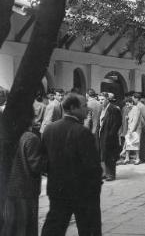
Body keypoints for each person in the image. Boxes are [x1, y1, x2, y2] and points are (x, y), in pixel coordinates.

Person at [41, 93, 102, 235]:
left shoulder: (49, 129)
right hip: (83, 191)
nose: (87, 109)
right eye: (84, 106)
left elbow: (44, 162)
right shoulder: (82, 132)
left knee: (54, 227)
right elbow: (92, 166)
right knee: (88, 228)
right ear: (73, 108)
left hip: (57, 189)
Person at [1, 107, 46, 236]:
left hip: (8, 189)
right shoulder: (30, 138)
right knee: (26, 228)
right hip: (25, 190)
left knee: (11, 227)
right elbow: (36, 166)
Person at [98, 92, 122, 182]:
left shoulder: (113, 109)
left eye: (102, 99)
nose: (101, 101)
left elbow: (117, 123)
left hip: (110, 136)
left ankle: (111, 174)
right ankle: (105, 173)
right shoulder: (102, 109)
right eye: (99, 100)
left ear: (107, 99)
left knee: (110, 155)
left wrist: (111, 134)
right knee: (104, 155)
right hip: (102, 135)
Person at [121, 97, 142, 165]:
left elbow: (135, 120)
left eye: (128, 104)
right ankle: (127, 158)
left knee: (135, 144)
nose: (127, 106)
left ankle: (137, 159)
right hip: (130, 128)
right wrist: (127, 118)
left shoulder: (136, 109)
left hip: (135, 129)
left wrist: (131, 130)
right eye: (126, 105)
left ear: (132, 103)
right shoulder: (130, 108)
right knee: (128, 143)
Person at [133, 93, 145, 162]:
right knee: (140, 142)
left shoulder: (141, 106)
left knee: (142, 143)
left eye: (133, 98)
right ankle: (141, 157)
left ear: (136, 98)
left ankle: (143, 158)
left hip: (142, 126)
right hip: (140, 126)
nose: (132, 100)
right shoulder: (138, 106)